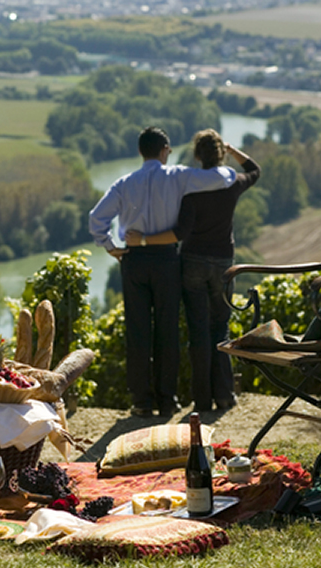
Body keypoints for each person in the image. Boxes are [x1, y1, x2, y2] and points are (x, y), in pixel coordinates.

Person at [89, 126, 237, 418]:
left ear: (140, 151)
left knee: (137, 330)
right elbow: (224, 177)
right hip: (166, 260)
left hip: (133, 259)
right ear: (165, 150)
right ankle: (167, 400)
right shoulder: (178, 176)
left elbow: (97, 218)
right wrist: (230, 160)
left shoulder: (123, 183)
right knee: (167, 330)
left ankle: (142, 401)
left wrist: (110, 246)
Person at [125, 130, 260, 412]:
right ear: (220, 154)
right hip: (222, 263)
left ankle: (201, 399)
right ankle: (224, 394)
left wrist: (144, 240)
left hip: (192, 263)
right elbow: (254, 170)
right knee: (220, 327)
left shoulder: (189, 189)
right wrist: (232, 150)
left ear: (197, 156)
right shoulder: (233, 183)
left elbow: (181, 231)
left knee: (197, 329)